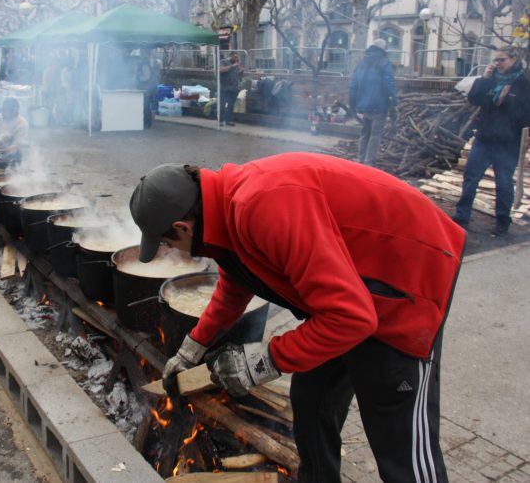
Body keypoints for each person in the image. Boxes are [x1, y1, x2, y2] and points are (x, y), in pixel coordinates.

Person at [129, 153, 465, 483]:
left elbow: (352, 318)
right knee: (312, 399)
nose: (170, 250)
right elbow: (236, 284)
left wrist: (260, 362)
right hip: (348, 295)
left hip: (405, 280)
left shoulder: (260, 207)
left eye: (165, 243)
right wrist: (193, 348)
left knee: (398, 441)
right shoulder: (223, 208)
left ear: (181, 227)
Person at [452, 45, 530, 236]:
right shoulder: (491, 79)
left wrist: (519, 133)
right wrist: (484, 79)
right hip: (484, 138)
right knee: (471, 176)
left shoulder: (524, 84)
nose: (497, 63)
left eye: (501, 60)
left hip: (507, 142)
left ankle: (503, 220)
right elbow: (473, 99)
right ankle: (462, 215)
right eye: (495, 60)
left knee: (503, 183)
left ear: (513, 59)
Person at [348, 38, 397, 166]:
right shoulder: (384, 62)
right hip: (379, 106)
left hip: (363, 107)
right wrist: (393, 101)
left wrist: (353, 104)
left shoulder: (361, 63)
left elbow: (353, 84)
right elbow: (389, 83)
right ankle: (369, 162)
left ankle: (360, 159)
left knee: (364, 133)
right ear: (383, 49)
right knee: (375, 135)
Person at [219, 51, 242, 126]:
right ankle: (221, 120)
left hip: (234, 88)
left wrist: (241, 72)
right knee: (222, 105)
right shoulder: (223, 62)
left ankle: (228, 120)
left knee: (231, 105)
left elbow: (237, 75)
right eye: (235, 57)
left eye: (237, 57)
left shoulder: (236, 64)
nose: (236, 59)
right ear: (230, 56)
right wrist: (232, 66)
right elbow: (221, 70)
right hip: (225, 88)